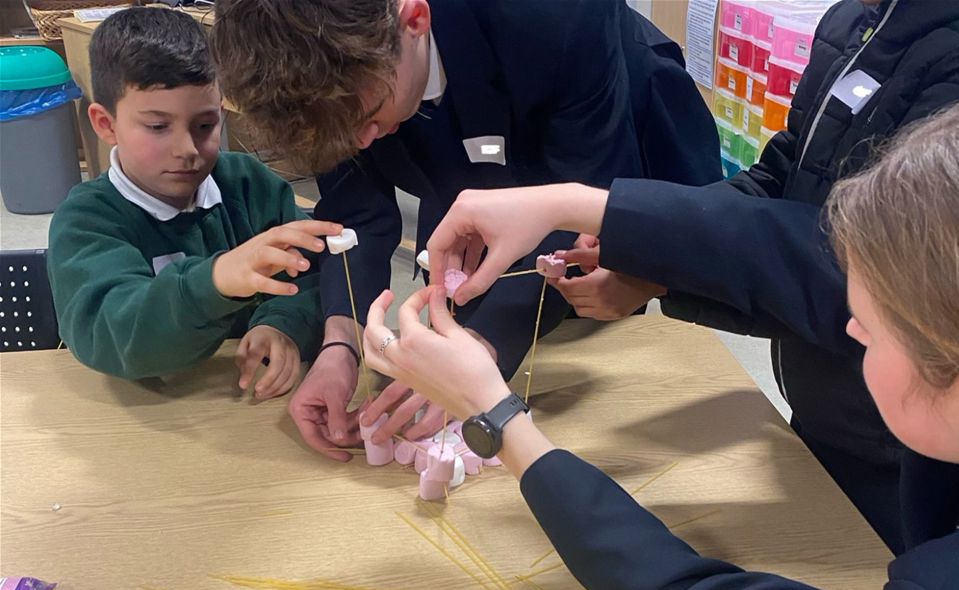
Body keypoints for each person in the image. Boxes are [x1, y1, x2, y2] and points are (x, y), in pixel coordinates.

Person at [362, 91, 959, 590]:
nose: (849, 328)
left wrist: (498, 416)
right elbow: (779, 243)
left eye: (871, 329)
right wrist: (602, 226)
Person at [435, 0, 959, 553]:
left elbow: (864, 274)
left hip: (914, 447)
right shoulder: (862, 18)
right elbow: (781, 178)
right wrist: (650, 265)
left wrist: (592, 208)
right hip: (829, 417)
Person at [210, 0, 721, 457]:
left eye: (365, 120)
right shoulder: (329, 80)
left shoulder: (556, 17)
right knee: (462, 292)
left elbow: (579, 204)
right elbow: (356, 213)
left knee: (610, 324)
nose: (362, 145)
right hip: (459, 137)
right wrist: (341, 340)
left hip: (607, 129)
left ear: (413, 19)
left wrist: (484, 344)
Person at [48, 7, 340, 398]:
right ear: (105, 124)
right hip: (145, 413)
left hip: (243, 406)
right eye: (157, 127)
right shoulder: (85, 221)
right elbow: (112, 334)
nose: (187, 150)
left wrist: (281, 325)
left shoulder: (252, 186)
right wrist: (215, 280)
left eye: (205, 126)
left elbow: (316, 279)